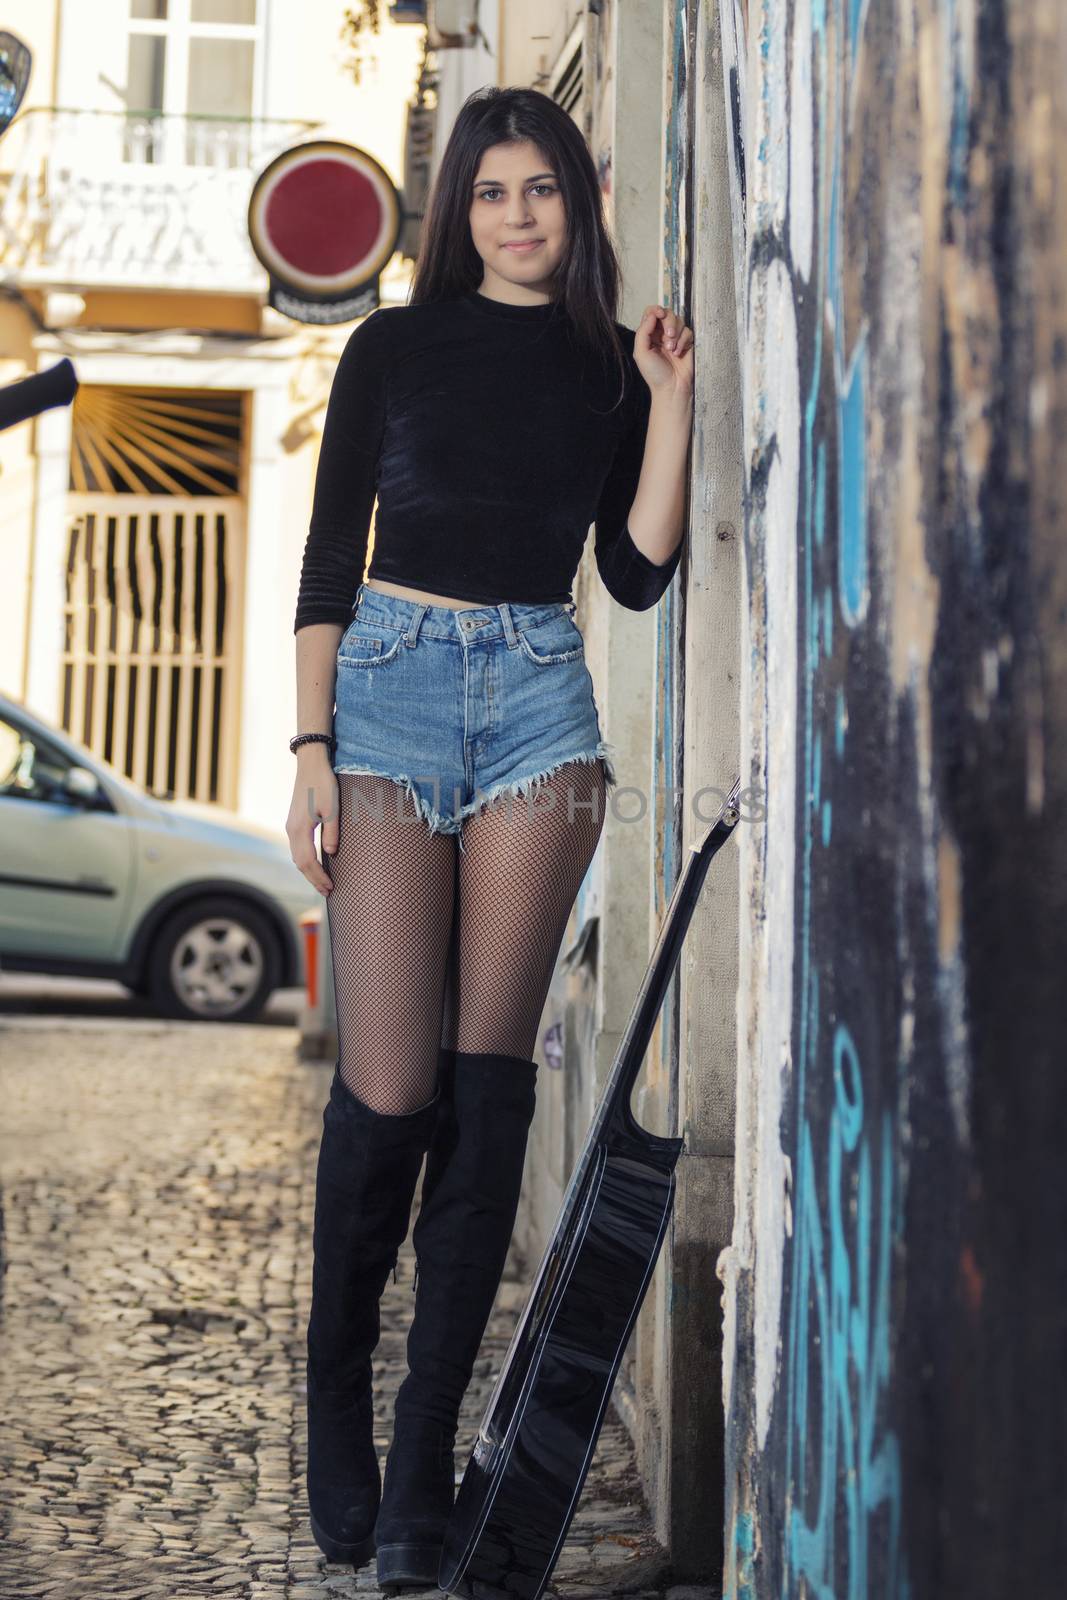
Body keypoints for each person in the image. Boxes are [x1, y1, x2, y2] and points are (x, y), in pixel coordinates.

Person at [285, 84, 694, 1593]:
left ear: (577, 207)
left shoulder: (601, 372)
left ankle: (418, 1468)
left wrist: (673, 398)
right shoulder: (389, 348)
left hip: (537, 707)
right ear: (457, 214)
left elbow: (638, 577)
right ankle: (336, 1389)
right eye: (493, 192)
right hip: (388, 698)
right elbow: (330, 561)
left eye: (545, 191)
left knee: (485, 1090)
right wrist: (312, 750)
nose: (521, 215)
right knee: (387, 1092)